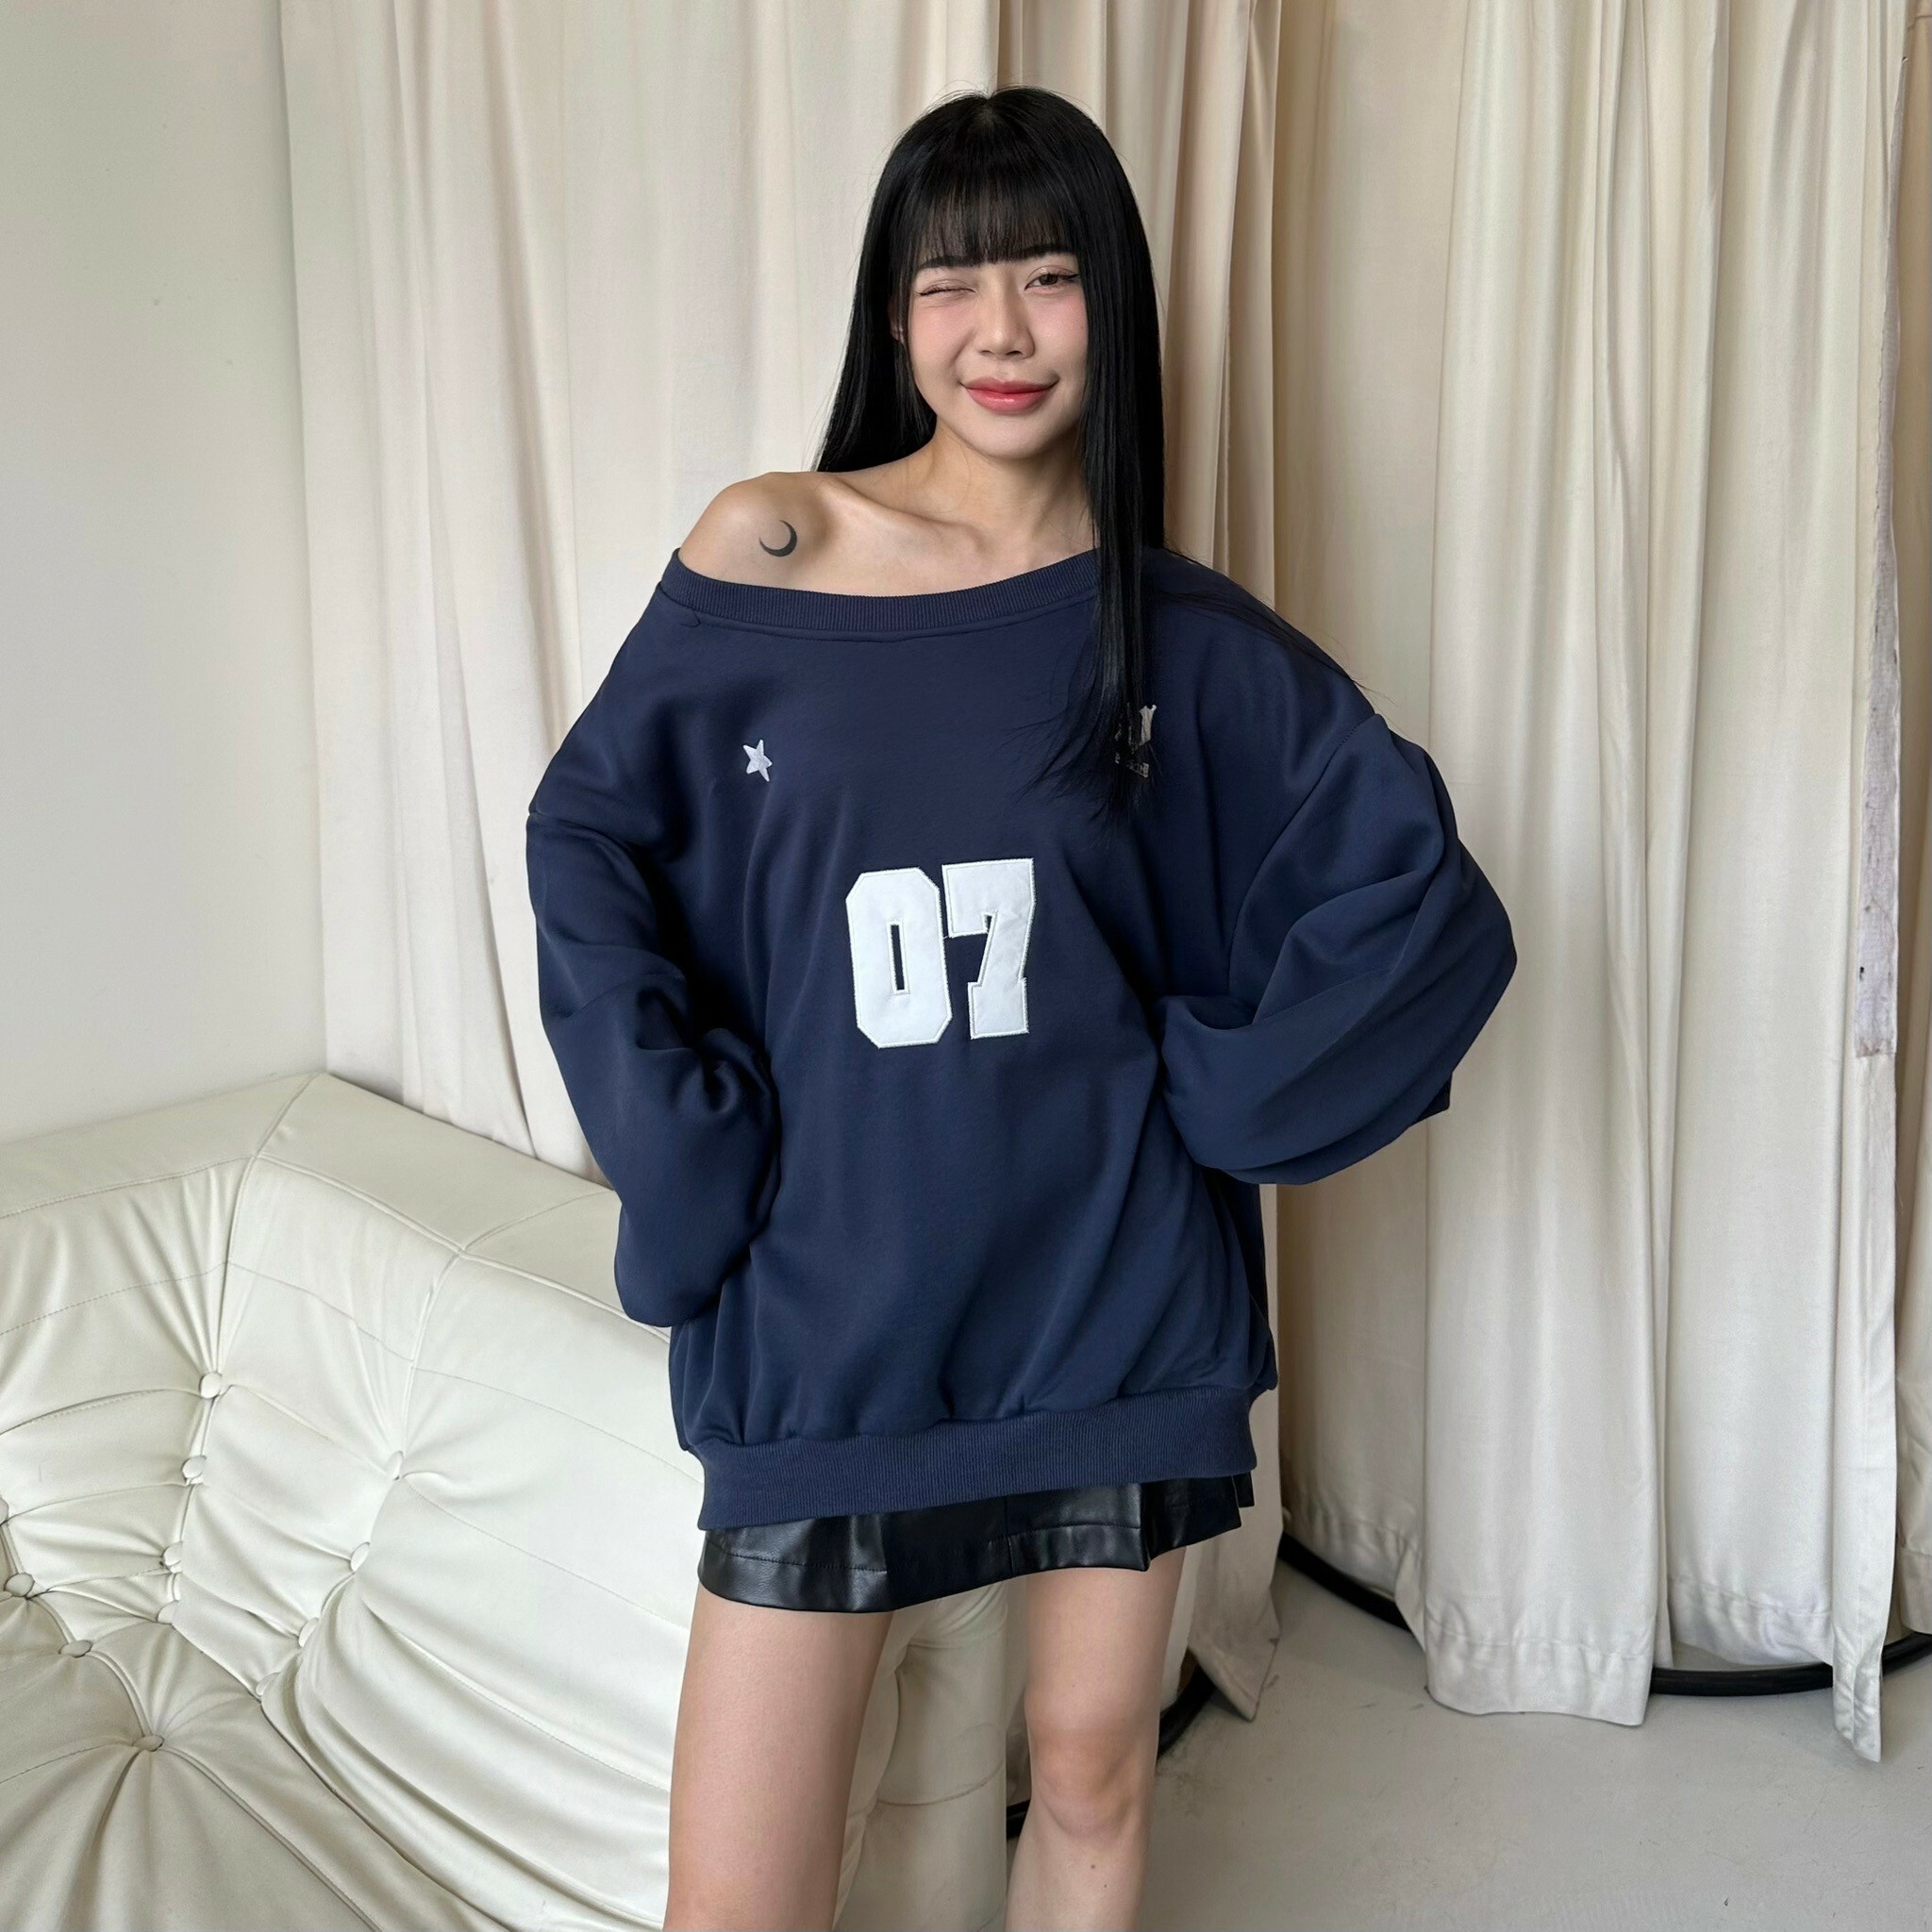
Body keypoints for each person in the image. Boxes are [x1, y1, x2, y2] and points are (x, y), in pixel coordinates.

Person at [525, 84, 1516, 1932]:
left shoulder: (1175, 633)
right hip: (828, 1310)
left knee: (1089, 1776)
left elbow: (1413, 888)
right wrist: (683, 1144)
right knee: (736, 1895)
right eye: (951, 284)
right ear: (893, 316)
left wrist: (1232, 1100)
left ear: (1108, 301)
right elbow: (588, 840)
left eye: (1048, 277)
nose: (1000, 331)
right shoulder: (774, 546)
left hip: (1110, 1296)